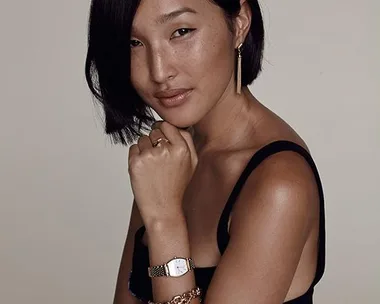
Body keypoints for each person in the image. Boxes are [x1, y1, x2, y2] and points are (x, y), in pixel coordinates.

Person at [85, 0, 326, 303]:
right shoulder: (170, 157)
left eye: (181, 32)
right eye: (134, 42)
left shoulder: (279, 184)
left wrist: (165, 222)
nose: (159, 71)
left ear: (239, 24)